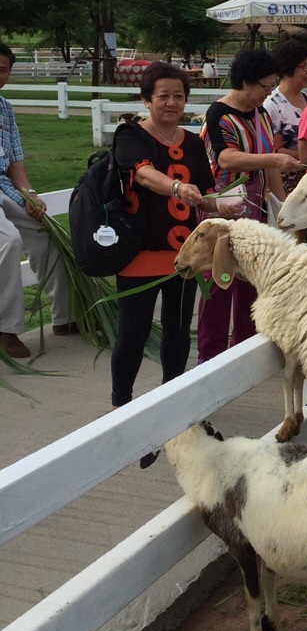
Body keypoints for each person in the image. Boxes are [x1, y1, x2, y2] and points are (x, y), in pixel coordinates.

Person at [111, 63, 243, 407]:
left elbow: (206, 196)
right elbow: (142, 175)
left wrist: (222, 207)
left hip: (184, 258)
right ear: (146, 100)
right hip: (139, 255)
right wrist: (176, 187)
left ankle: (172, 402)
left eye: (179, 96)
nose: (172, 103)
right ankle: (120, 406)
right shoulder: (131, 136)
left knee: (178, 332)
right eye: (163, 96)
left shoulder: (194, 143)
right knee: (132, 334)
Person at [199, 49, 301, 360]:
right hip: (223, 207)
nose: (268, 93)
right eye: (265, 86)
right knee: (218, 279)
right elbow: (225, 157)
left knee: (250, 278)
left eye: (272, 86)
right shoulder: (219, 114)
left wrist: (283, 203)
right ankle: (211, 354)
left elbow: (270, 164)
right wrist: (273, 159)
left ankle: (243, 348)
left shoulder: (262, 114)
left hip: (254, 206)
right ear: (245, 82)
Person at [0, 41, 74, 357]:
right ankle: (7, 329)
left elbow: (15, 160)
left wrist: (29, 194)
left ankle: (65, 318)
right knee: (9, 241)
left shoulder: (4, 108)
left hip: (4, 187)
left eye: (3, 69)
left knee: (47, 236)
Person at [263, 38, 307, 194]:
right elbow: (275, 150)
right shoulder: (272, 105)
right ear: (289, 68)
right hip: (285, 183)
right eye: (304, 66)